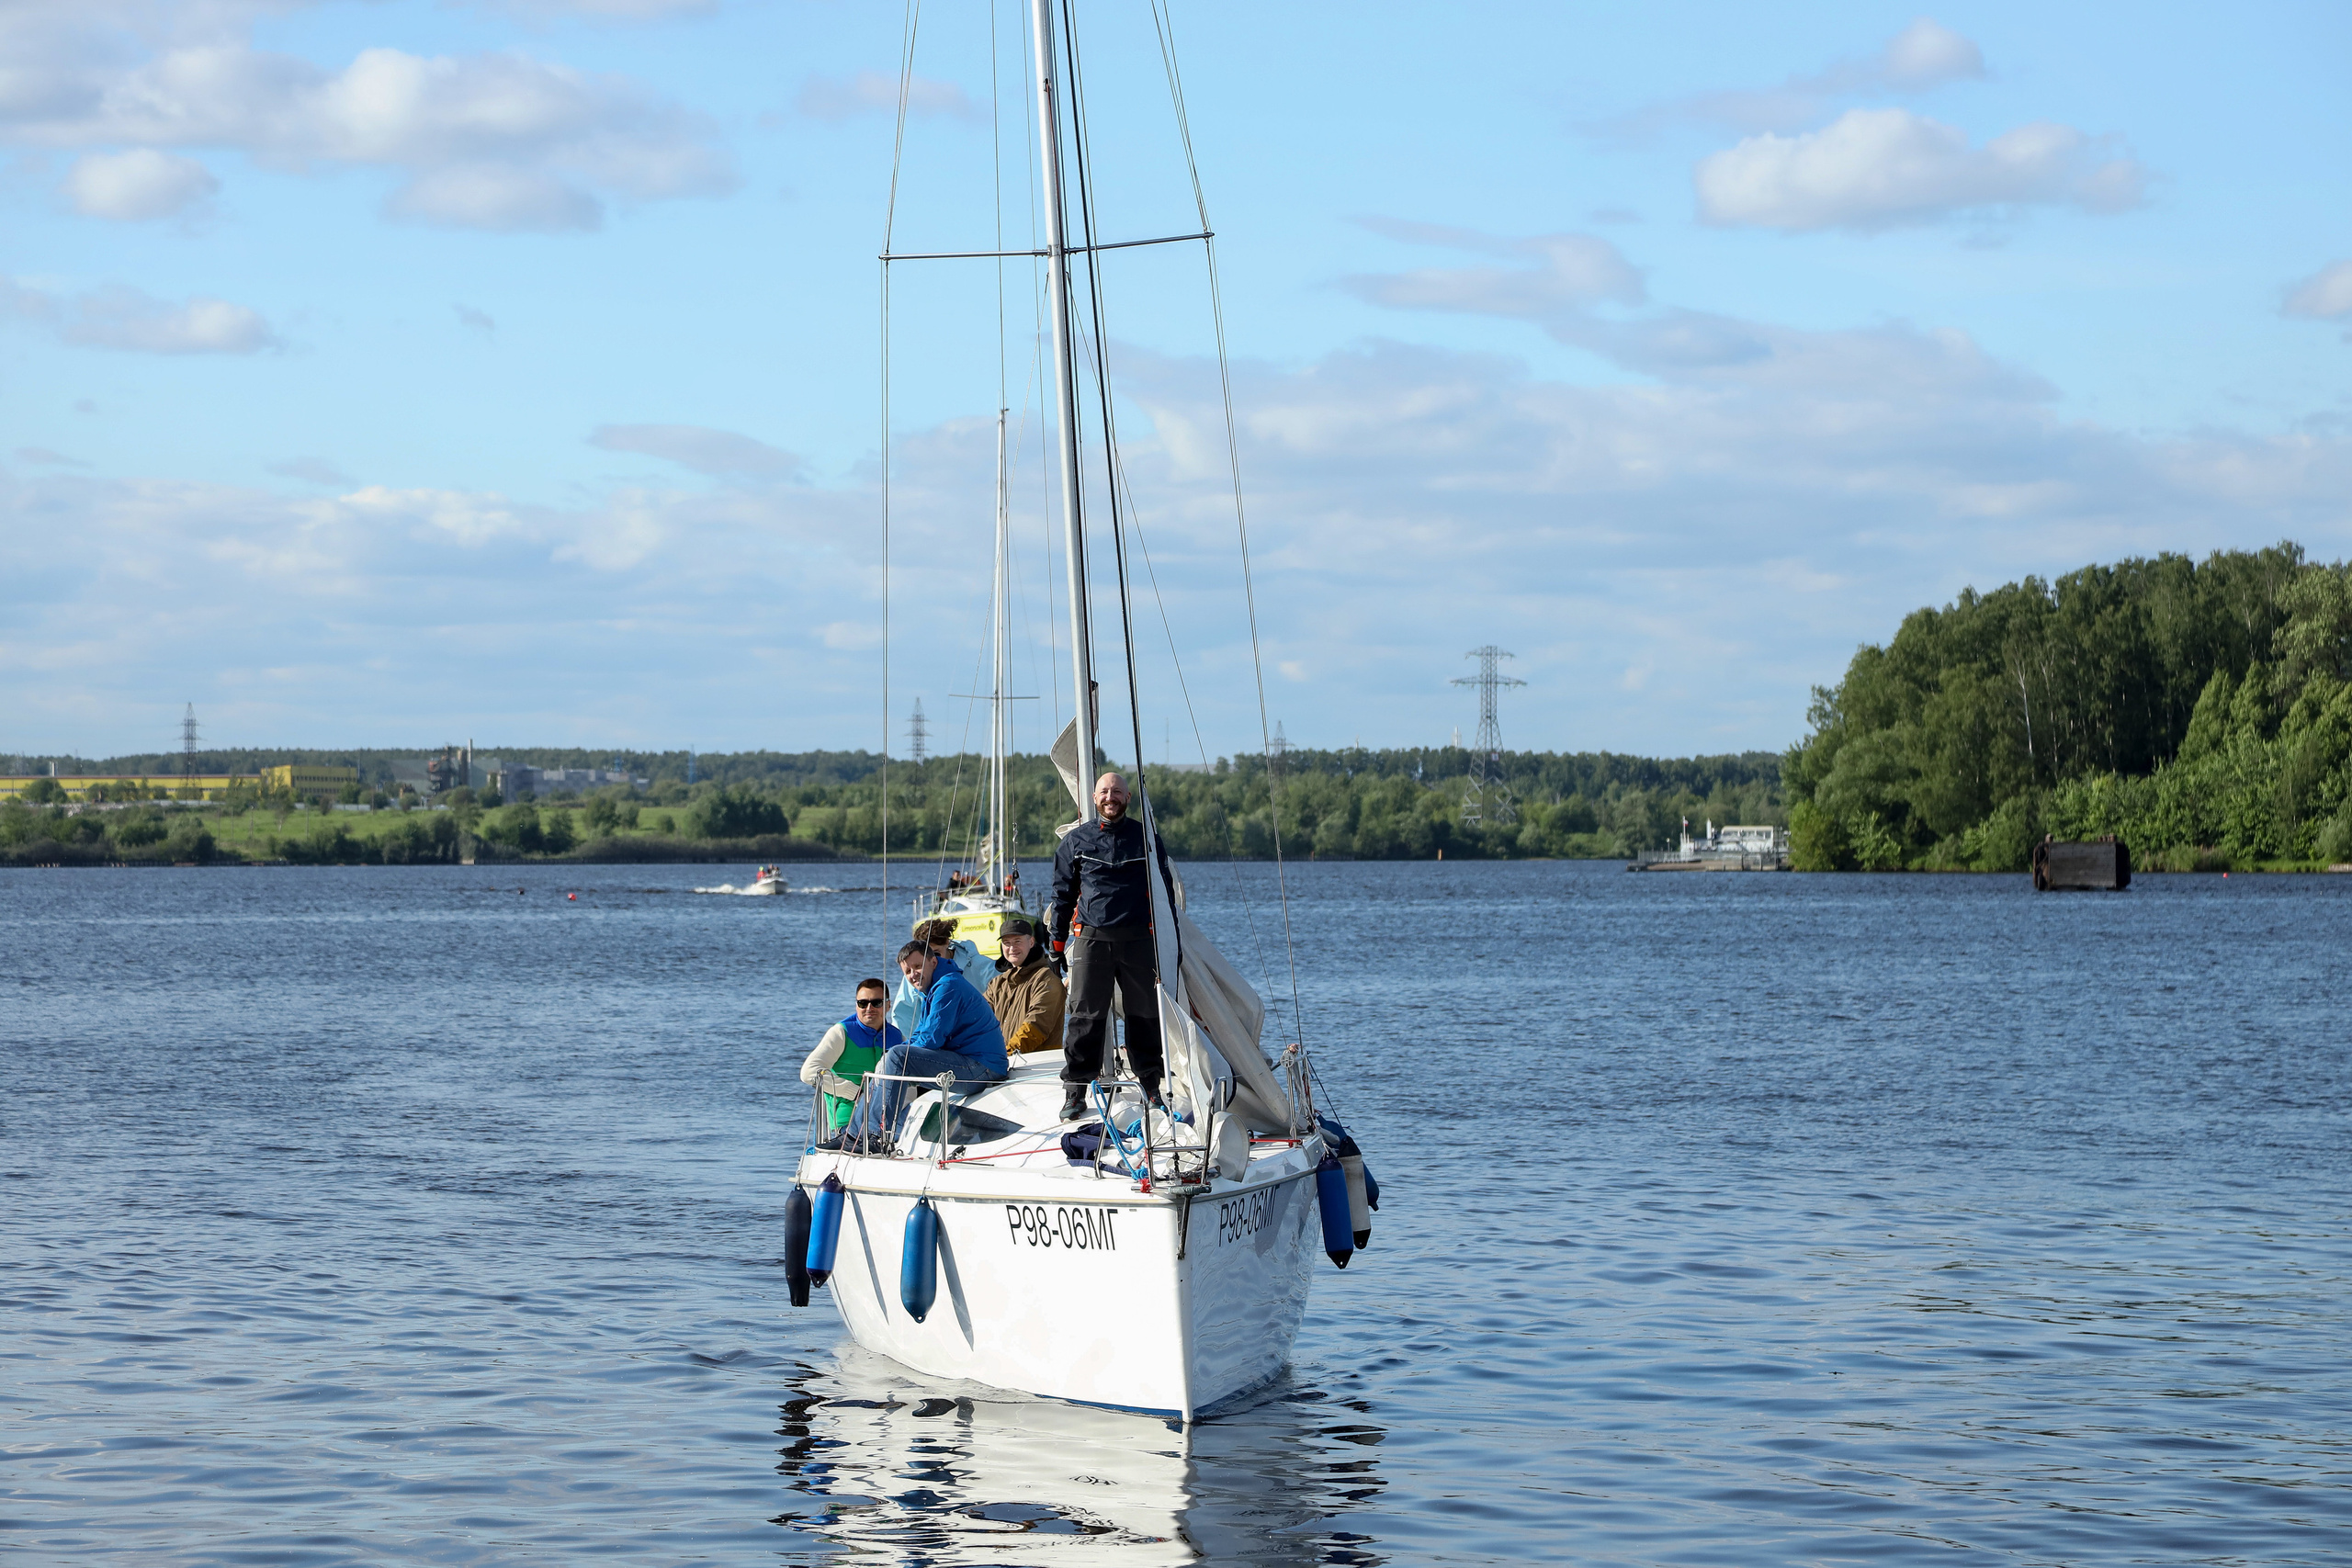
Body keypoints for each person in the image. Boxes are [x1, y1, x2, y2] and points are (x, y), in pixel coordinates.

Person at [1049, 771, 1162, 1122]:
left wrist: (1169, 944)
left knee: (1144, 1016)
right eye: (1103, 792)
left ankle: (1152, 1086)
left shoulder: (1146, 839)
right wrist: (1055, 947)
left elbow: (1164, 894)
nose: (1110, 797)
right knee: (1085, 1018)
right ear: (1094, 798)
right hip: (1092, 941)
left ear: (1128, 797)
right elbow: (1062, 897)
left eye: (1116, 791)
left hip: (1139, 941)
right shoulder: (1075, 843)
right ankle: (1075, 1092)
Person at [831, 937, 1009, 1149]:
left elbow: (933, 1039)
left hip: (984, 1069)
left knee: (896, 1057)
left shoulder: (948, 986)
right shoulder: (934, 988)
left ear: (933, 962)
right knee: (890, 1060)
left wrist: (894, 1058)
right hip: (970, 1063)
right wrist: (888, 1060)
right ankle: (855, 1134)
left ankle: (874, 1135)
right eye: (907, 971)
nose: (913, 974)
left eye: (918, 966)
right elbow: (920, 1035)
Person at [799, 977, 900, 1134]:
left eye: (876, 1003)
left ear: (888, 1005)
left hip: (889, 1121)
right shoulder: (841, 1032)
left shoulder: (897, 1037)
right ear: (856, 1005)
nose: (869, 1008)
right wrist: (854, 1093)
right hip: (847, 1121)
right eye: (862, 1003)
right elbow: (809, 1072)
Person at [888, 917, 990, 1040]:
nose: (933, 961)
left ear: (947, 942)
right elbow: (904, 1017)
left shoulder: (981, 966)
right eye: (925, 957)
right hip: (938, 1043)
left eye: (936, 954)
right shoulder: (914, 977)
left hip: (978, 1039)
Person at [985, 915, 1066, 1058]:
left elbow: (1037, 1026)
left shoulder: (1047, 978)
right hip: (1003, 1062)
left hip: (1038, 1065)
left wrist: (1006, 1054)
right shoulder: (997, 983)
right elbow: (979, 1019)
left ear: (1031, 942)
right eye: (1006, 943)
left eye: (1017, 941)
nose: (1012, 948)